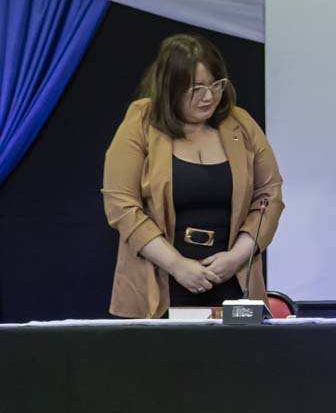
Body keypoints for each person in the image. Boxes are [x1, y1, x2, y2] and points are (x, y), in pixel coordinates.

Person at [102, 34, 283, 318]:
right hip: (161, 278)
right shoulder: (141, 121)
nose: (209, 97)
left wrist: (236, 257)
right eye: (196, 88)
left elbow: (269, 196)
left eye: (216, 85)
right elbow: (121, 205)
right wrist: (177, 265)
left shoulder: (241, 123)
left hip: (233, 280)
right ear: (169, 87)